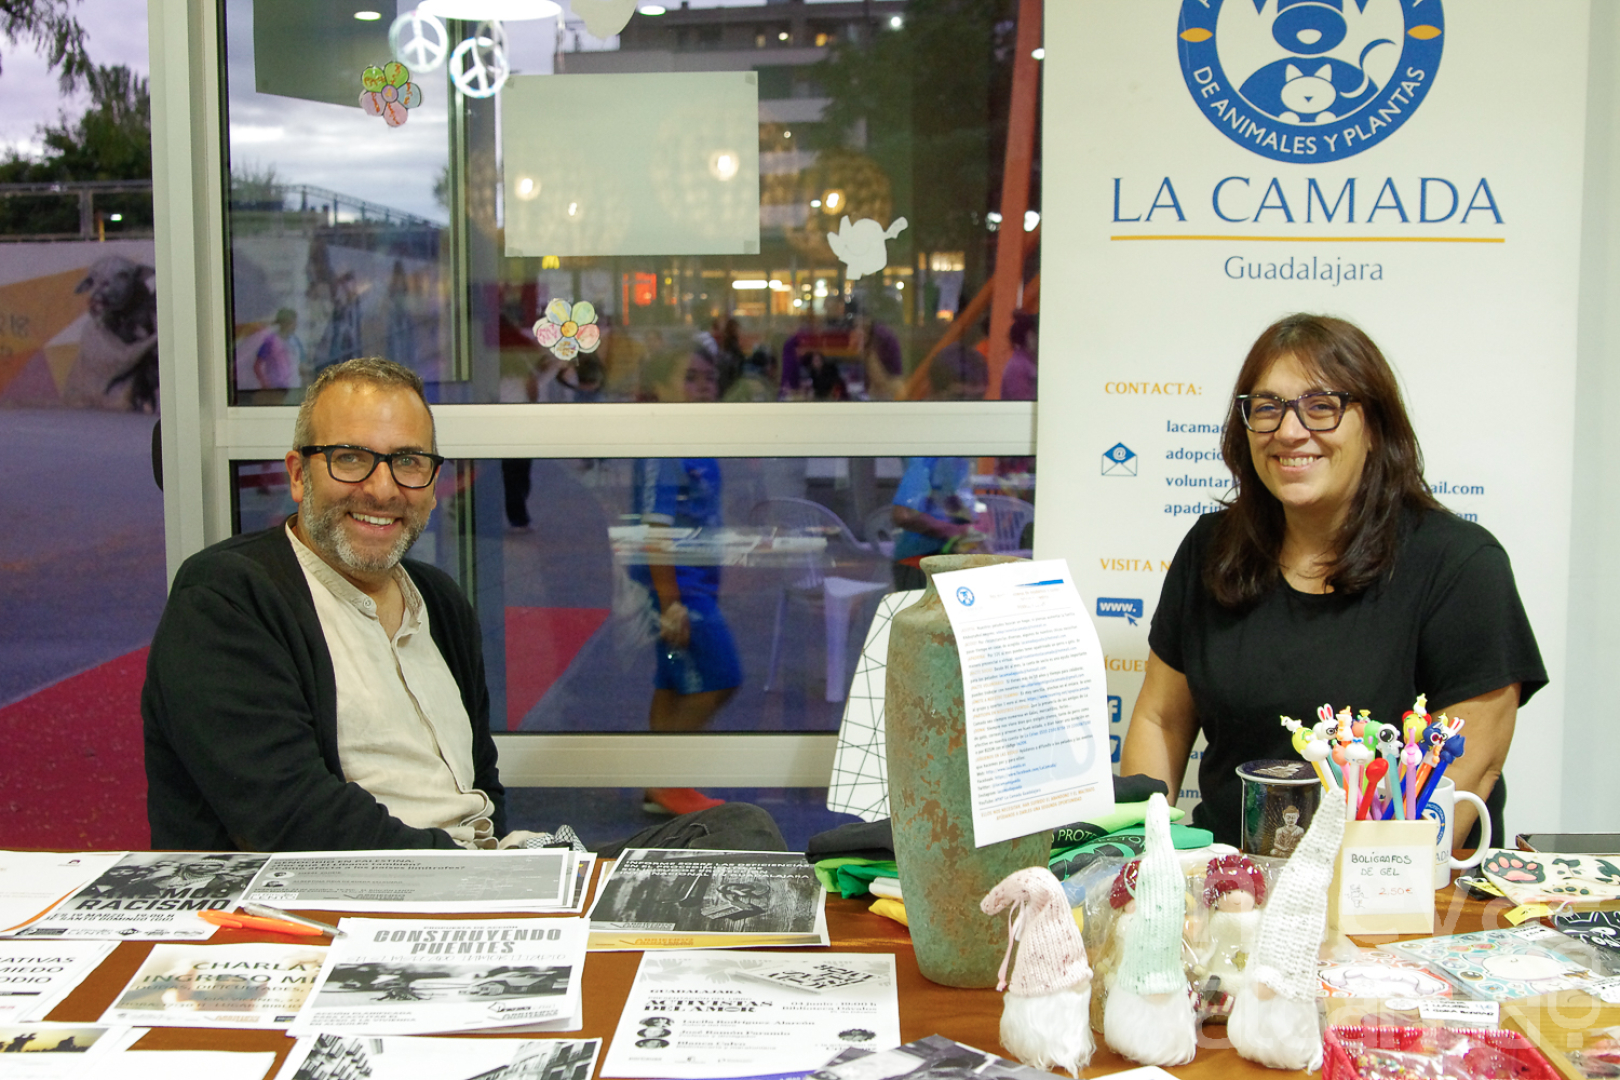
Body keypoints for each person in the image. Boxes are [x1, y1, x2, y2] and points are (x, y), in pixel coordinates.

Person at [143, 356, 784, 854]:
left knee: (739, 836)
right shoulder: (228, 598)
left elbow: (481, 787)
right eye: (350, 459)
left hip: (480, 881)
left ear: (433, 482)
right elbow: (288, 819)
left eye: (408, 462)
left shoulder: (438, 601)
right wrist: (474, 876)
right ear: (297, 473)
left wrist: (506, 872)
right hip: (360, 902)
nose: (383, 489)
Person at [1120, 314, 1545, 850]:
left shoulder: (1460, 565)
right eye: (1267, 408)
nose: (1289, 431)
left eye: (1322, 406)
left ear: (1376, 427)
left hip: (1392, 887)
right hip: (1228, 880)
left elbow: (1469, 767)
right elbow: (1160, 720)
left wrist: (1363, 889)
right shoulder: (1212, 549)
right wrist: (1149, 861)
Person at [628, 349, 743, 817]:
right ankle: (666, 779)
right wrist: (670, 602)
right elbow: (655, 531)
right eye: (690, 378)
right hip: (676, 585)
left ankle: (657, 783)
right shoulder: (664, 448)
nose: (703, 387)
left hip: (697, 580)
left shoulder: (697, 440)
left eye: (708, 378)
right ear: (660, 390)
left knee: (672, 680)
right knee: (722, 676)